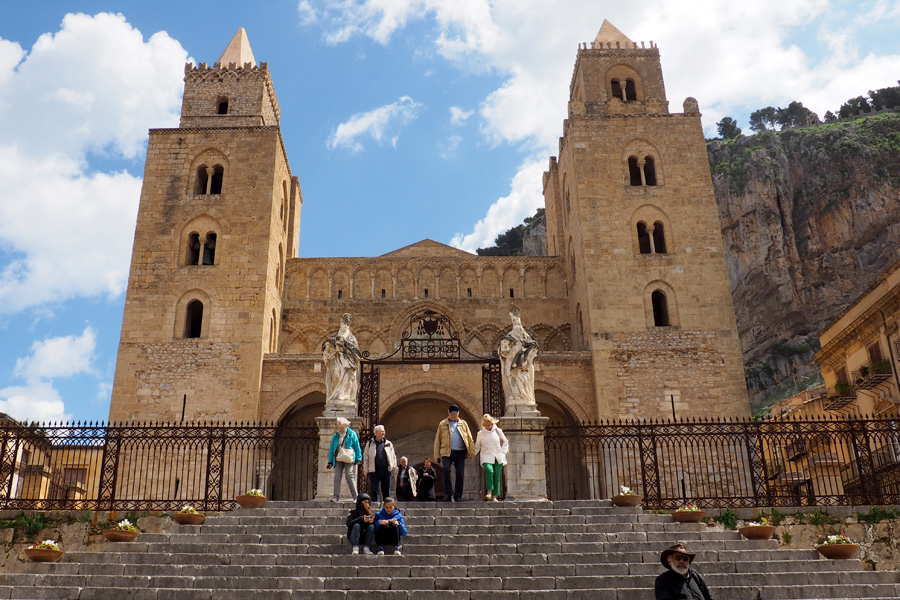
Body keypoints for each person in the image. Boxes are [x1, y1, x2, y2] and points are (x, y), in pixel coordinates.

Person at [433, 404, 475, 502]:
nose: (453, 416)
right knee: (446, 470)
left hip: (460, 452)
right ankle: (448, 494)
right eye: (452, 414)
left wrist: (471, 451)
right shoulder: (442, 424)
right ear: (448, 412)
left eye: (455, 414)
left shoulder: (463, 423)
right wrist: (436, 455)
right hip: (446, 452)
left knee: (460, 474)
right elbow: (437, 440)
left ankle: (458, 495)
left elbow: (469, 438)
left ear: (458, 413)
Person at [322, 313, 363, 413]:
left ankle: (345, 397)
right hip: (336, 362)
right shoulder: (334, 336)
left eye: (347, 324)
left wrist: (344, 347)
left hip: (349, 363)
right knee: (335, 377)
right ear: (340, 323)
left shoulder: (352, 338)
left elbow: (357, 353)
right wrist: (331, 345)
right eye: (344, 323)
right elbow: (325, 348)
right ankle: (335, 399)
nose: (345, 326)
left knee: (349, 378)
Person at [474, 413, 509, 501]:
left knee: (496, 476)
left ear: (492, 424)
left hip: (498, 455)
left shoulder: (498, 431)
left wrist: (504, 451)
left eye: (489, 425)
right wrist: (472, 453)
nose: (487, 426)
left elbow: (505, 441)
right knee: (489, 471)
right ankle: (489, 491)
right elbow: (477, 445)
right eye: (485, 425)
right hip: (486, 455)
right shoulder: (480, 434)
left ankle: (495, 496)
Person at [326, 417, 362, 502]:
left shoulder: (352, 434)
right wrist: (330, 461)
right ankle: (336, 497)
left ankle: (355, 497)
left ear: (346, 426)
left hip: (348, 457)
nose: (340, 429)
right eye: (339, 427)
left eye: (342, 427)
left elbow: (357, 447)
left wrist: (358, 458)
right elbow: (332, 448)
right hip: (338, 457)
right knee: (337, 477)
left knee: (349, 475)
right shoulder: (336, 435)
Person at [362, 424, 397, 503]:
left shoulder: (388, 443)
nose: (384, 433)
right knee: (374, 490)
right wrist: (366, 469)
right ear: (376, 433)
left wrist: (393, 466)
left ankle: (387, 505)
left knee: (386, 490)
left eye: (384, 431)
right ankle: (375, 504)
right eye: (382, 431)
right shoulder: (370, 443)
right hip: (374, 469)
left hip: (386, 469)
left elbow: (393, 456)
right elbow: (366, 457)